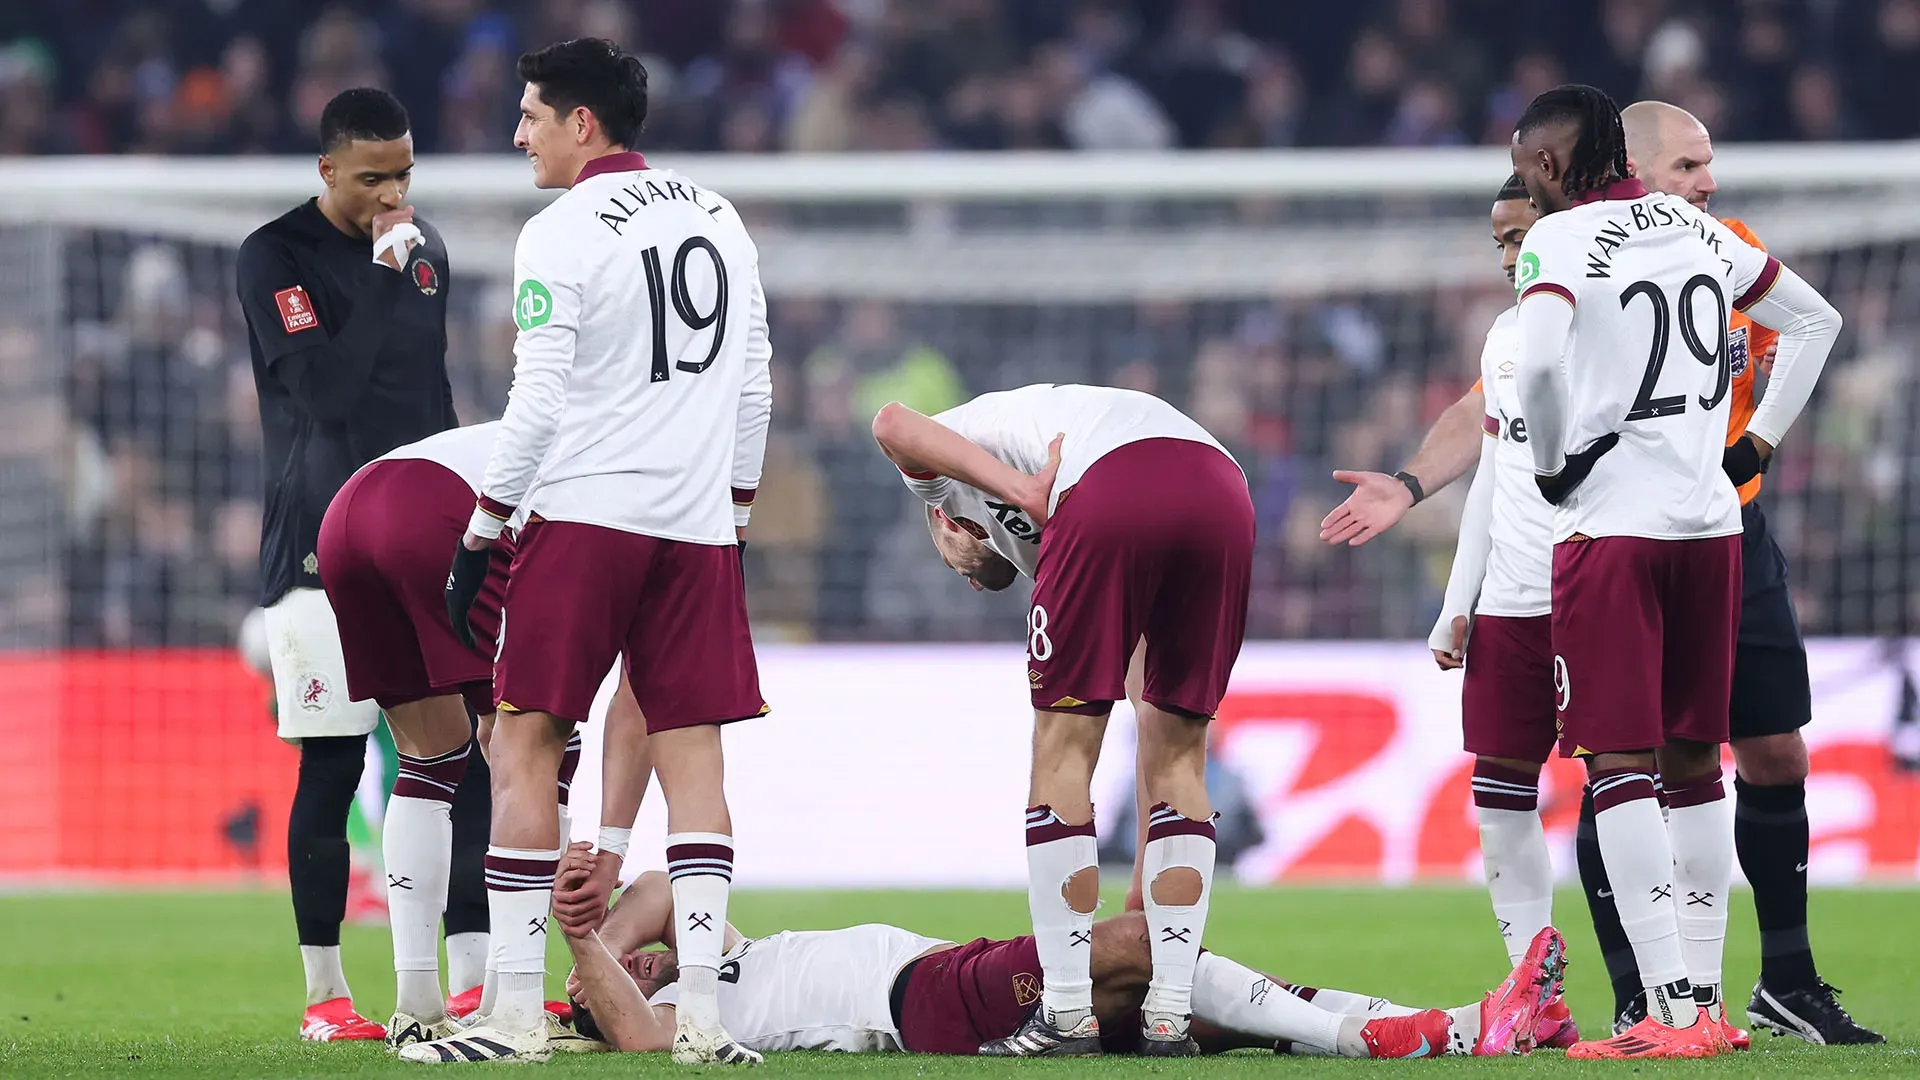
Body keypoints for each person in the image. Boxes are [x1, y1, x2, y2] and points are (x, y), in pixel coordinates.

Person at [424, 38, 774, 1065]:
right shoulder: (719, 215)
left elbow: (535, 402)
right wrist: (735, 514)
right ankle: (703, 1022)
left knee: (525, 740)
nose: (517, 132)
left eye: (531, 113)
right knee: (695, 756)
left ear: (585, 124)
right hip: (698, 522)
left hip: (585, 517)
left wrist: (485, 526)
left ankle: (516, 1015)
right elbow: (753, 384)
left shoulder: (562, 229)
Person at [1508, 84, 1841, 1058]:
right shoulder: (1706, 236)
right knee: (1700, 761)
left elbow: (1534, 369)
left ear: (1556, 164)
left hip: (1614, 531)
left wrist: (1553, 464)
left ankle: (1667, 1010)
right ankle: (1707, 1008)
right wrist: (1758, 445)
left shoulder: (1560, 241)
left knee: (1618, 764)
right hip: (1712, 532)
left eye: (1532, 169)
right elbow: (1814, 321)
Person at [871, 384, 1252, 1056]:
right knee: (1180, 749)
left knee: (1063, 747)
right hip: (1220, 486)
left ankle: (1068, 1012)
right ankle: (1169, 1013)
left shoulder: (940, 493)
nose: (964, 576)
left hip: (1105, 480)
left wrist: (1021, 491)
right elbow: (1147, 706)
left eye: (953, 561)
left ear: (946, 525)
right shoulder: (1042, 545)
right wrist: (1144, 896)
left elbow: (893, 421)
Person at [234, 87, 462, 1042]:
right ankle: (327, 997)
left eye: (405, 174)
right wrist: (377, 273)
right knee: (330, 768)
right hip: (316, 545)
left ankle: (474, 979)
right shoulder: (274, 257)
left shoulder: (425, 254)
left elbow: (427, 397)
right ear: (327, 171)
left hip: (420, 543)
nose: (393, 195)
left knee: (466, 759)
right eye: (373, 178)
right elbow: (326, 394)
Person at [549, 848, 1567, 1060]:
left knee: (1218, 1012)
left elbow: (667, 886)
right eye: (606, 993)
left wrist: (616, 921)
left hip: (956, 975)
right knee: (1141, 945)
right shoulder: (696, 1018)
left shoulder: (716, 954)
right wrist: (582, 944)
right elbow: (638, 1043)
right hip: (925, 1002)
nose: (632, 976)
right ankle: (1405, 1040)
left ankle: (1481, 1022)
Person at [316, 422, 583, 1046]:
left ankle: (415, 1002)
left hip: (347, 515)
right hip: (441, 515)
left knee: (429, 756)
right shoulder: (619, 462)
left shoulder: (560, 425)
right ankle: (505, 994)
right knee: (549, 747)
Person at [1422, 173, 1581, 1052]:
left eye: (1524, 236)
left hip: (1598, 585)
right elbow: (1491, 474)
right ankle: (1532, 987)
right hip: (1513, 600)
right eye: (1502, 244)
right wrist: (1459, 603)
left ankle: (1674, 992)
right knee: (1500, 796)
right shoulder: (1506, 337)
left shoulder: (1607, 327)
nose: (1514, 257)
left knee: (1637, 787)